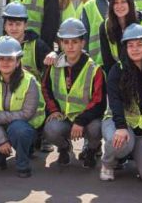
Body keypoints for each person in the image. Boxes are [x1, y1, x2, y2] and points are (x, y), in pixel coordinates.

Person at [100, 24, 142, 183]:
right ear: (125, 48)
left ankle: (136, 154)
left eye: (139, 44)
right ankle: (108, 164)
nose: (135, 49)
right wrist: (121, 127)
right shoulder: (117, 70)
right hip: (119, 124)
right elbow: (115, 102)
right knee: (121, 142)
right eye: (130, 45)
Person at [0, 36, 46, 178]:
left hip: (25, 127)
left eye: (10, 59)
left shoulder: (29, 81)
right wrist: (1, 140)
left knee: (18, 129)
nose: (5, 63)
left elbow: (27, 114)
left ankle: (23, 162)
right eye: (1, 59)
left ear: (18, 61)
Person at [42, 19, 106, 168]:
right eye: (66, 42)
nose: (70, 46)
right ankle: (64, 148)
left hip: (87, 121)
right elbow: (46, 89)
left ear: (82, 43)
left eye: (75, 42)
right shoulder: (54, 66)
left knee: (97, 128)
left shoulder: (94, 69)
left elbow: (99, 102)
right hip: (64, 117)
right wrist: (54, 110)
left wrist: (81, 121)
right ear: (61, 43)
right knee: (50, 129)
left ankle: (91, 149)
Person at [0, 2, 53, 80]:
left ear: (25, 25)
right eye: (10, 24)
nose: (14, 28)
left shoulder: (37, 46)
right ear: (4, 26)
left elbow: (49, 74)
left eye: (18, 24)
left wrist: (54, 54)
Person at [81, 0, 121, 65]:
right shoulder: (88, 7)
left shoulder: (125, 4)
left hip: (121, 62)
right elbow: (84, 38)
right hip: (97, 63)